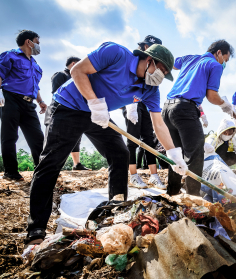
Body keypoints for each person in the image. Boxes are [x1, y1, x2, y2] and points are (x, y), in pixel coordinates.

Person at [24, 42, 188, 247]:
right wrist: (94, 103)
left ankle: (116, 212)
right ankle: (36, 230)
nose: (161, 77)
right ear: (149, 60)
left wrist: (174, 154)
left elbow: (158, 122)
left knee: (120, 154)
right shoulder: (116, 53)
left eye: (165, 74)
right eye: (161, 70)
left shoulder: (150, 89)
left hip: (98, 114)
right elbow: (78, 71)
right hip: (69, 106)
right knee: (51, 162)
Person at [163, 40, 234, 196]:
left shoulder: (191, 58)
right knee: (195, 157)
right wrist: (225, 104)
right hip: (185, 111)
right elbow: (212, 96)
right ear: (219, 53)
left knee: (176, 155)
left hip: (167, 109)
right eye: (225, 59)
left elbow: (171, 64)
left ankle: (172, 195)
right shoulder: (215, 65)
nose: (224, 63)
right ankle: (193, 203)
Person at [0, 30, 46, 181]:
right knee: (10, 136)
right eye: (37, 42)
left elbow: (35, 85)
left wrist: (40, 101)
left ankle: (41, 172)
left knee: (38, 139)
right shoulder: (10, 55)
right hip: (10, 99)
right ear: (29, 42)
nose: (38, 46)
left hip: (29, 104)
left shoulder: (35, 63)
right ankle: (11, 172)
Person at [123, 35, 166, 189]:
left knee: (149, 139)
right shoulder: (131, 60)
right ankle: (133, 175)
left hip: (144, 105)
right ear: (146, 47)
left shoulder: (153, 69)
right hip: (130, 105)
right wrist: (131, 106)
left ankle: (154, 176)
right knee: (132, 140)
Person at [47, 56, 89, 171]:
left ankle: (77, 164)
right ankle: (49, 166)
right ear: (74, 63)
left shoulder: (78, 77)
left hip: (76, 111)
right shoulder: (60, 75)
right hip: (59, 111)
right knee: (55, 139)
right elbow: (57, 93)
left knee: (76, 138)